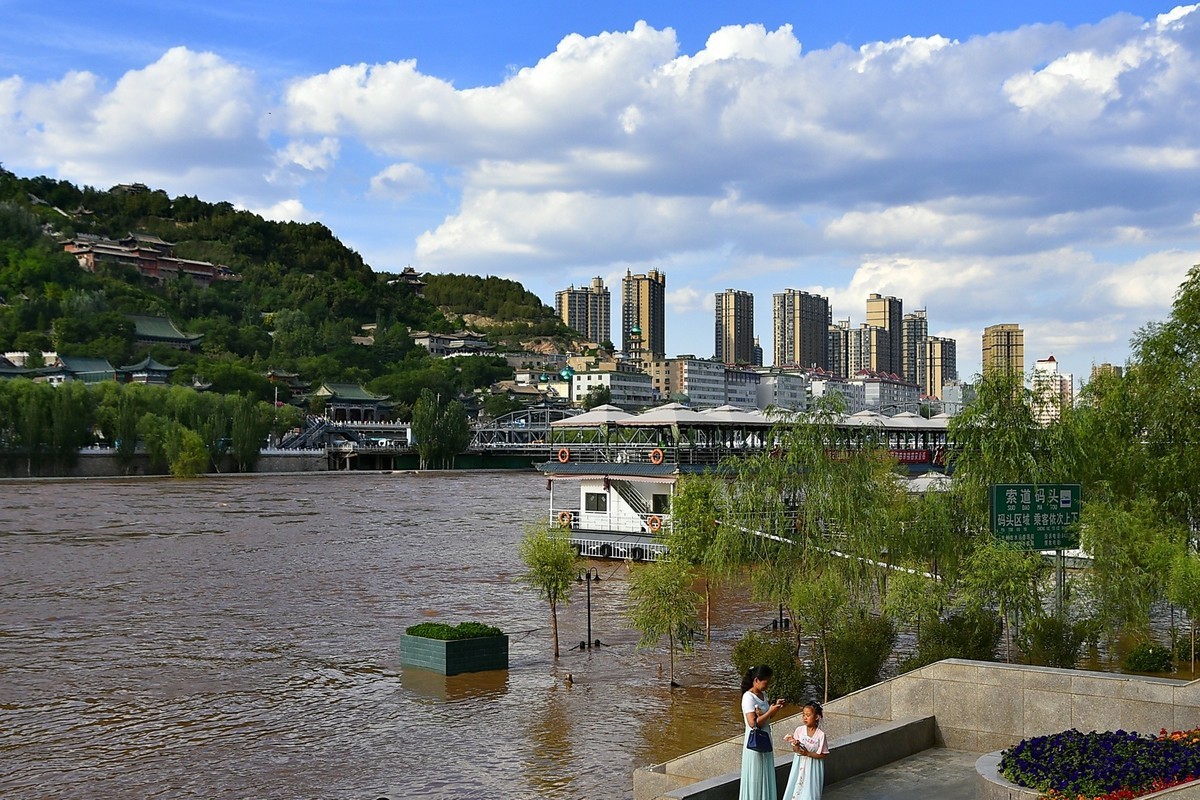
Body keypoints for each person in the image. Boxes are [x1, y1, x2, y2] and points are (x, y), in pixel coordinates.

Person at [739, 665, 786, 800]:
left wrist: (774, 709)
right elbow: (752, 723)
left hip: (765, 736)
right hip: (755, 740)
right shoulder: (748, 697)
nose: (767, 685)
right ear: (756, 680)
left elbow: (766, 718)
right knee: (756, 773)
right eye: (766, 682)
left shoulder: (763, 694)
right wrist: (769, 712)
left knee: (765, 771)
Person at [781, 700, 829, 800]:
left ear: (816, 717)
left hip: (813, 768)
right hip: (799, 765)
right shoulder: (799, 730)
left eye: (808, 715)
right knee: (797, 788)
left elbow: (823, 754)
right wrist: (796, 745)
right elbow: (795, 749)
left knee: (810, 792)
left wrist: (808, 754)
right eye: (803, 715)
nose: (805, 718)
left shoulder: (820, 735)